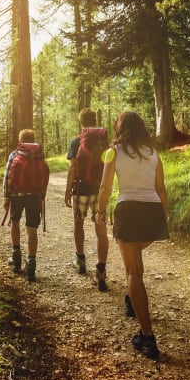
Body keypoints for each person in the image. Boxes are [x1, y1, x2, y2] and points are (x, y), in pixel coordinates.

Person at [97, 111, 169, 360]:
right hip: (152, 212)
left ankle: (147, 338)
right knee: (136, 264)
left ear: (120, 128)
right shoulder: (153, 153)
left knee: (133, 273)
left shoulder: (114, 150)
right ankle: (134, 303)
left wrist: (99, 211)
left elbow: (106, 187)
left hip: (128, 210)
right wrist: (164, 216)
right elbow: (161, 188)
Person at [64, 108, 110, 291]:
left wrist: (68, 190)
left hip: (81, 189)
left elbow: (72, 168)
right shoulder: (104, 142)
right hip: (99, 190)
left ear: (81, 122)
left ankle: (80, 260)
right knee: (101, 228)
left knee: (78, 223)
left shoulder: (76, 141)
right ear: (95, 120)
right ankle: (101, 271)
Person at [3, 129, 49, 282]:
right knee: (32, 229)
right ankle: (31, 265)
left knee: (15, 223)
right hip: (34, 196)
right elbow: (44, 175)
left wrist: (6, 197)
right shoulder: (40, 155)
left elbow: (7, 176)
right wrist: (42, 194)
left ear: (21, 140)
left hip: (17, 195)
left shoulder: (15, 154)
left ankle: (16, 259)